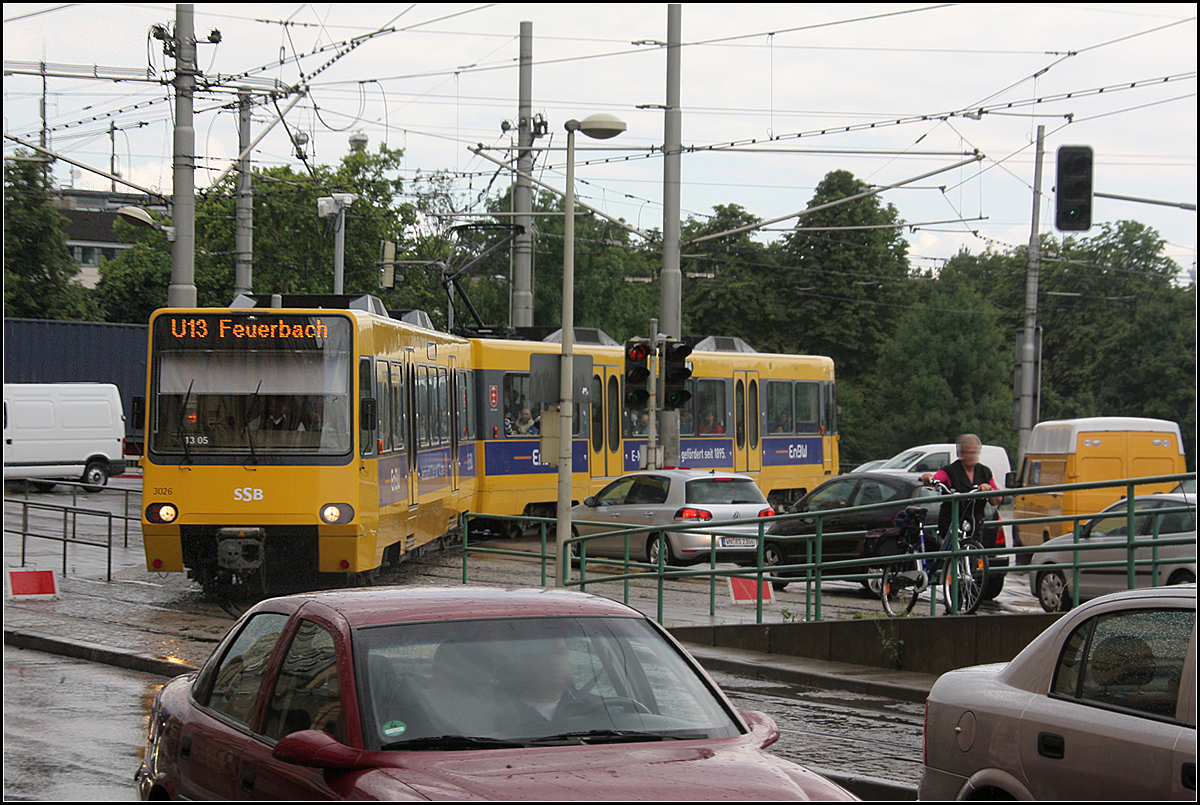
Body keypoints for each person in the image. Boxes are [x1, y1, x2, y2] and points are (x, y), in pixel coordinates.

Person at [921, 433, 1002, 540]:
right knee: (953, 545)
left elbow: (997, 500)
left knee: (975, 546)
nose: (972, 456)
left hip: (975, 523)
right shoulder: (950, 470)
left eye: (975, 453)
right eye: (968, 453)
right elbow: (936, 478)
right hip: (952, 522)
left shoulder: (984, 472)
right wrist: (928, 478)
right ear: (960, 453)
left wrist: (989, 489)